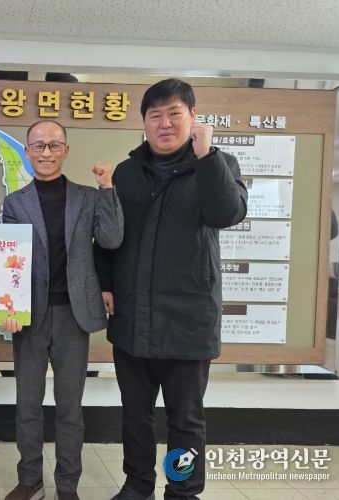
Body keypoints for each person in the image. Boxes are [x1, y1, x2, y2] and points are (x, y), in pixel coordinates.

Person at [94, 79, 248, 500]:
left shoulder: (217, 164)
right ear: (144, 122)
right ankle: (138, 485)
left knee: (186, 420)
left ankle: (182, 491)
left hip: (188, 322)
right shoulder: (127, 173)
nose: (164, 123)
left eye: (174, 114)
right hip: (132, 318)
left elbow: (227, 213)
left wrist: (207, 155)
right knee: (135, 415)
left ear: (193, 117)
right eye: (155, 115)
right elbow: (108, 236)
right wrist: (105, 284)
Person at [1, 120, 124, 500]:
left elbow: (111, 239)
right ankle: (30, 480)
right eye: (38, 145)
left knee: (70, 407)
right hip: (30, 316)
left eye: (54, 145)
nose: (46, 152)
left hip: (74, 314)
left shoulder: (88, 197)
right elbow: (8, 260)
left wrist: (107, 188)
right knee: (28, 405)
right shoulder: (15, 202)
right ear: (27, 151)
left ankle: (67, 485)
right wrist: (7, 307)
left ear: (66, 151)